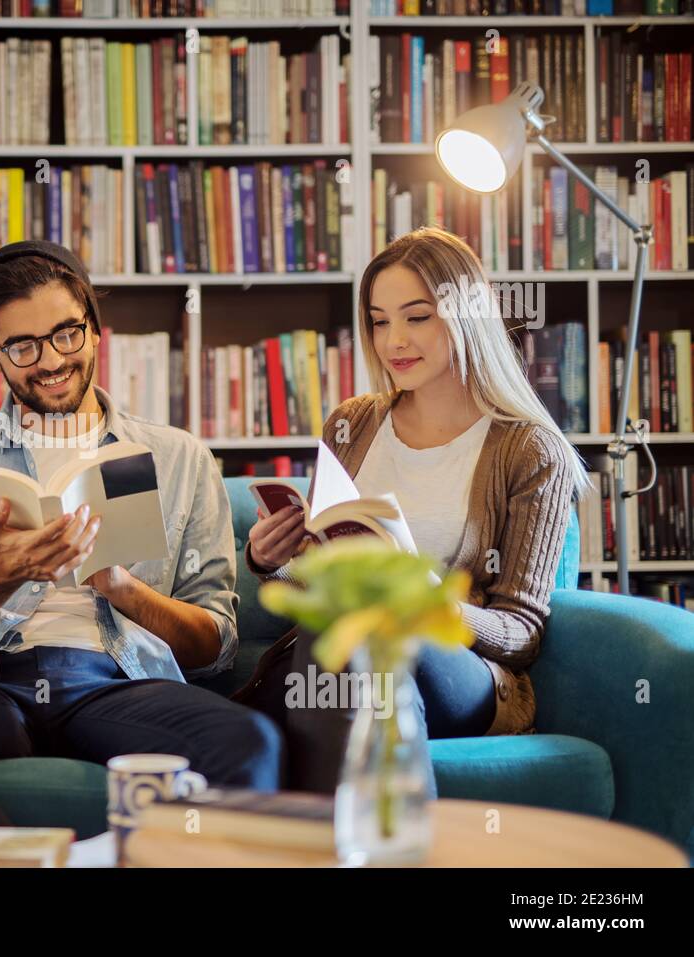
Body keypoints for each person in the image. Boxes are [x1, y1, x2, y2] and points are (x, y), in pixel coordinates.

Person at [0, 239, 281, 825]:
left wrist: (124, 588)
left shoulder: (179, 458)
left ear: (94, 330)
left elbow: (214, 650)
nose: (51, 359)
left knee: (250, 740)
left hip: (116, 685)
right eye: (22, 345)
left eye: (66, 333)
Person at [239, 226, 591, 794]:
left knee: (366, 635)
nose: (393, 339)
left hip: (457, 670)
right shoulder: (352, 425)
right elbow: (312, 589)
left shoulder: (528, 451)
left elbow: (521, 634)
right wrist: (276, 560)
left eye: (416, 316)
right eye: (379, 320)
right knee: (348, 632)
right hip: (337, 662)